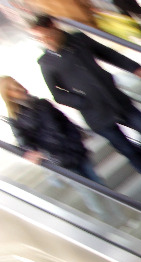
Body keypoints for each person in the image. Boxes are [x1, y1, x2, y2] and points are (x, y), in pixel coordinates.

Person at [30, 13, 141, 198]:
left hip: (116, 101)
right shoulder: (46, 63)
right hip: (96, 115)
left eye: (47, 35)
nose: (46, 41)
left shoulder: (79, 40)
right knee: (127, 149)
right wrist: (81, 101)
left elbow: (109, 54)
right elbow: (57, 94)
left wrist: (136, 68)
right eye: (39, 38)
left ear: (55, 27)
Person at [2, 74, 119, 219]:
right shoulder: (16, 119)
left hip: (75, 149)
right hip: (59, 159)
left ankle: (120, 216)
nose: (20, 90)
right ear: (8, 95)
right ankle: (108, 218)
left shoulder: (42, 104)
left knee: (98, 183)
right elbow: (24, 143)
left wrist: (76, 139)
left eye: (18, 86)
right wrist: (41, 154)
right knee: (87, 191)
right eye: (14, 89)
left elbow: (65, 122)